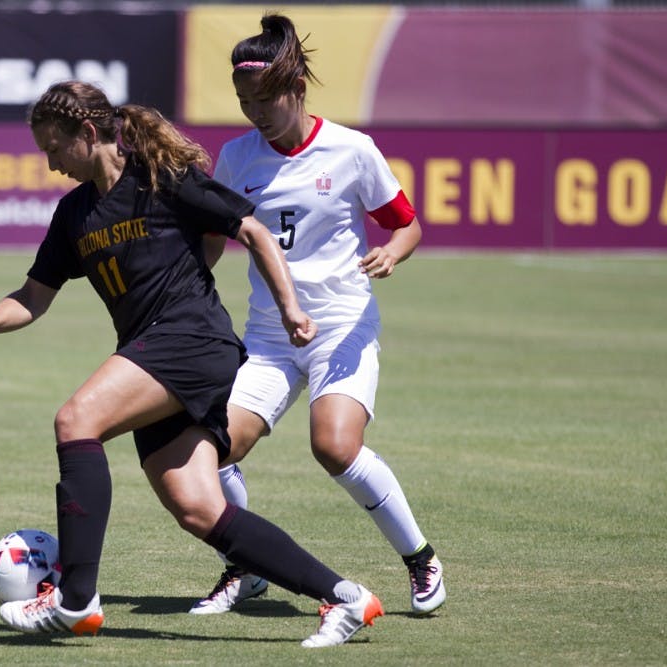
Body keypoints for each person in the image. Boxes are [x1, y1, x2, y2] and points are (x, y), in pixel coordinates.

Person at [0, 80, 384, 648]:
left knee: (76, 421)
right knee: (201, 511)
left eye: (54, 149)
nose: (50, 165)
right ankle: (345, 597)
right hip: (157, 354)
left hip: (191, 342)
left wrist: (291, 308)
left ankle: (76, 601)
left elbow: (252, 230)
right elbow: (33, 297)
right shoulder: (74, 213)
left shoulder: (160, 180)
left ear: (90, 133)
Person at [191, 14, 445, 617]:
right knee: (214, 450)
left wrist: (391, 252)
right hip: (268, 335)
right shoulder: (235, 158)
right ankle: (245, 568)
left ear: (296, 87)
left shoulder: (353, 149)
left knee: (333, 447)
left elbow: (407, 224)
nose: (254, 112)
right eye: (243, 101)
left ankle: (421, 559)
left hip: (341, 326)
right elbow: (209, 240)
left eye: (264, 100)